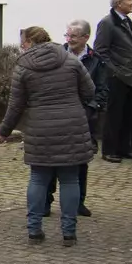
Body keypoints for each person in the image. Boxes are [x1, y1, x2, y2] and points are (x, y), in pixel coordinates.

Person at [0, 26, 96, 246]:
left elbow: (15, 105)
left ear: (30, 41)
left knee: (38, 179)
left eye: (23, 43)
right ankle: (69, 233)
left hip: (40, 128)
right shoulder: (71, 60)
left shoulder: (23, 67)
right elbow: (90, 91)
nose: (22, 47)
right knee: (70, 179)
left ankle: (34, 230)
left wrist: (4, 131)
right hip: (72, 125)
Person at [49, 20, 107, 218]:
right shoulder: (56, 56)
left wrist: (89, 110)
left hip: (83, 119)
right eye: (67, 35)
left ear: (85, 38)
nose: (69, 39)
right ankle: (46, 200)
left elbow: (102, 91)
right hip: (56, 117)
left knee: (80, 161)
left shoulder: (96, 60)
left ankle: (78, 201)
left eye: (73, 36)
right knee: (50, 160)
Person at [94, 0, 132, 162]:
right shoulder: (107, 23)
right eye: (129, 0)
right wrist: (114, 71)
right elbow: (101, 51)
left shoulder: (128, 22)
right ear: (118, 4)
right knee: (114, 115)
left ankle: (124, 148)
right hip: (118, 77)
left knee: (129, 114)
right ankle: (109, 150)